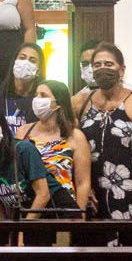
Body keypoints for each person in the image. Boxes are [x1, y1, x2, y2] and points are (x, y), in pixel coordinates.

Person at [78, 43, 132, 222]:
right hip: (91, 195)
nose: (102, 69)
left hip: (128, 191)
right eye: (97, 65)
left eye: (109, 64)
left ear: (121, 70)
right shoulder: (80, 103)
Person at [0, 101, 53, 221]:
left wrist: (23, 231)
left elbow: (43, 195)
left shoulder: (23, 150)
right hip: (24, 220)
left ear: (3, 128)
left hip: (55, 213)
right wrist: (7, 234)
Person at [16, 80, 89, 212]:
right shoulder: (23, 132)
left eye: (43, 95)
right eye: (36, 95)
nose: (37, 99)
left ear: (59, 102)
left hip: (63, 209)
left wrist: (80, 217)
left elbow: (82, 183)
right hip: (30, 208)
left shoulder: (75, 136)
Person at [0, 43, 45, 131]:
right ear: (14, 63)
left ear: (38, 71)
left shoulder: (41, 102)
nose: (26, 63)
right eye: (22, 58)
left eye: (32, 60)